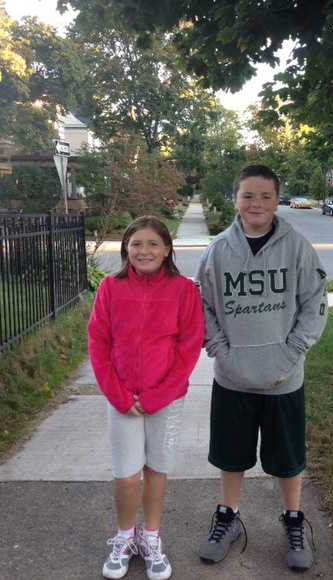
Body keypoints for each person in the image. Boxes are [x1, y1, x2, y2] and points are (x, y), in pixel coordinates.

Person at [194, 165, 328, 572]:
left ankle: (293, 520)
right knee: (231, 456)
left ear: (277, 201)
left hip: (283, 378)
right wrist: (221, 351)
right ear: (235, 200)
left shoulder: (298, 248)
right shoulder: (217, 250)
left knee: (287, 458)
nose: (257, 203)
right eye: (248, 195)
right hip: (231, 377)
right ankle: (228, 517)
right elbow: (201, 307)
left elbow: (315, 303)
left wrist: (292, 352)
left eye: (266, 196)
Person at [87, 216, 204, 580]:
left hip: (166, 400)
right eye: (136, 243)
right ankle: (124, 537)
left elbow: (189, 348)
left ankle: (150, 537)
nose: (144, 250)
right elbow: (98, 343)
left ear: (167, 249)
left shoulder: (184, 290)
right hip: (122, 399)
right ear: (126, 248)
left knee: (156, 470)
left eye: (153, 243)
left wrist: (158, 396)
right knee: (125, 476)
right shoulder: (110, 288)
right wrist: (119, 396)